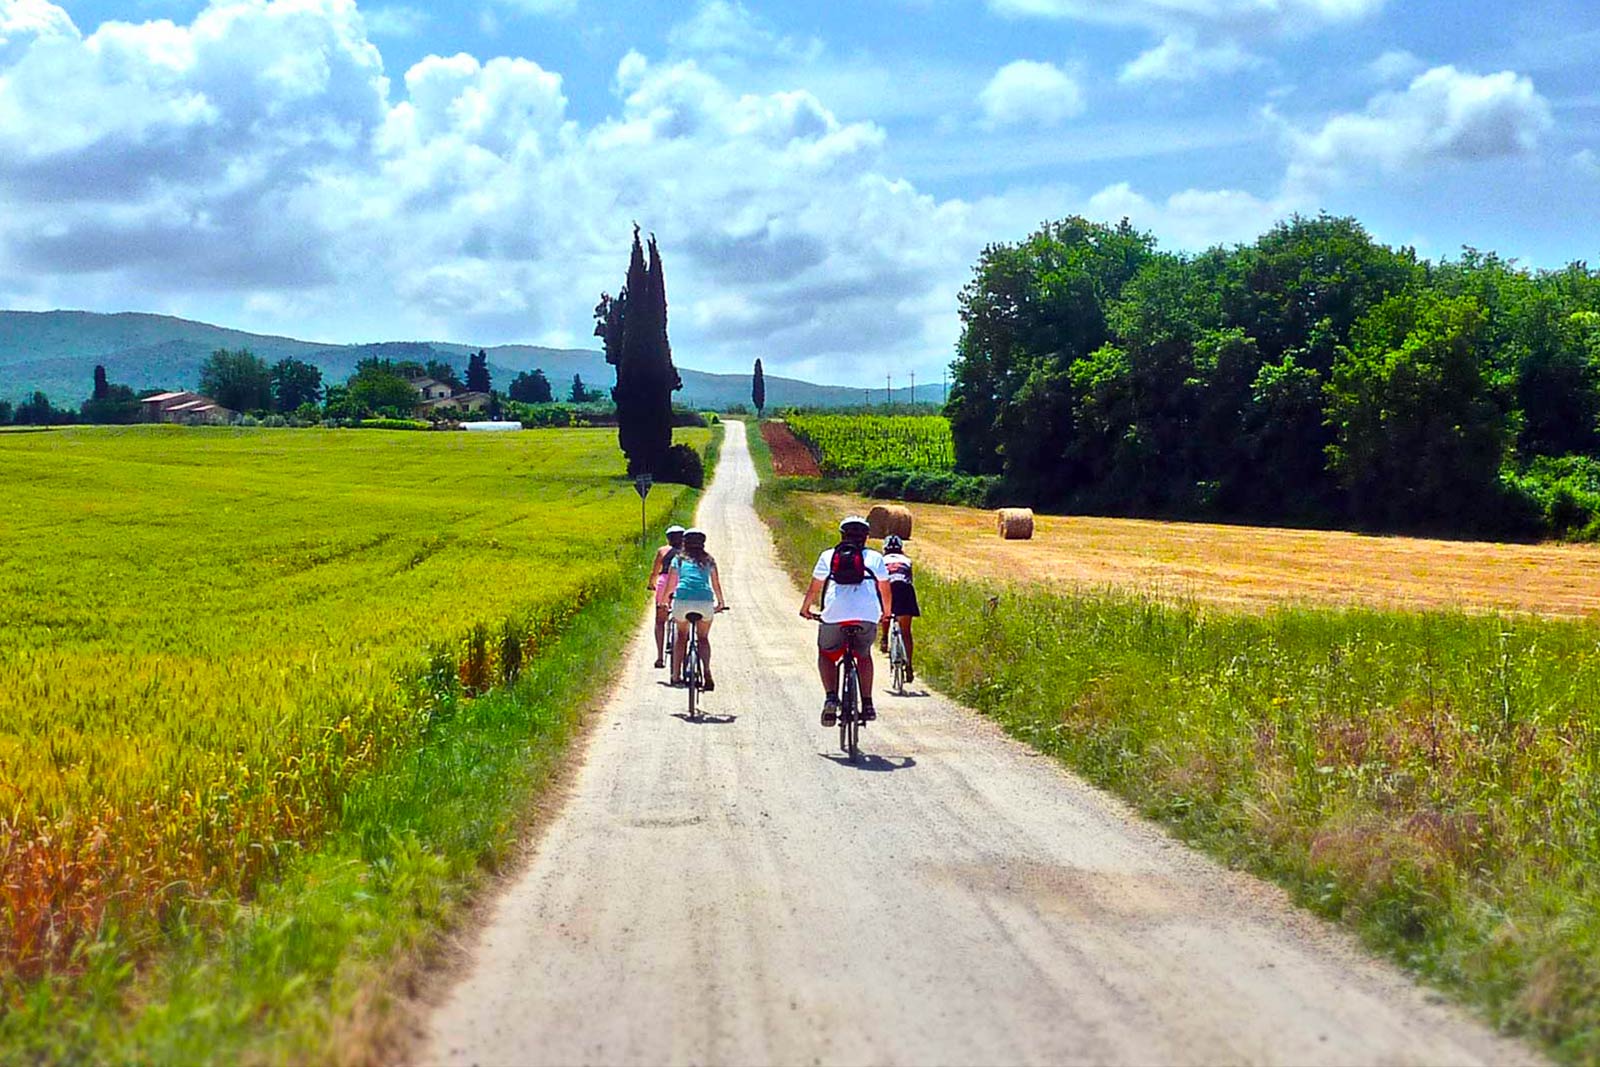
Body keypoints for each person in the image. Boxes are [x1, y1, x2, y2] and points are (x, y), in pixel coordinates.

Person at [798, 515, 891, 726]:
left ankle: (831, 697)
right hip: (867, 614)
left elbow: (815, 587)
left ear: (842, 535)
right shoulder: (875, 558)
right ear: (866, 537)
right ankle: (867, 703)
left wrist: (805, 609)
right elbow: (885, 589)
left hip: (834, 615)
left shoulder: (829, 556)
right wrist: (886, 613)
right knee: (864, 655)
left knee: (826, 654)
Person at [664, 528, 727, 690]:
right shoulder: (709, 560)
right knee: (703, 638)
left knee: (682, 635)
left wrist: (665, 601)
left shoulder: (678, 560)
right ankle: (706, 672)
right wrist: (720, 603)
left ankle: (676, 675)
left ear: (685, 542)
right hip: (704, 602)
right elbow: (716, 584)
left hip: (682, 601)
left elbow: (670, 584)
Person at [878, 534, 919, 683]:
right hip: (905, 590)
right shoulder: (907, 560)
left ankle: (883, 639)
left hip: (889, 587)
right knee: (906, 631)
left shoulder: (881, 560)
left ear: (885, 549)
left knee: (886, 613)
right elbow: (910, 579)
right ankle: (909, 665)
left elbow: (879, 581)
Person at [646, 524, 686, 669]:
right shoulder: (687, 552)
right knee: (684, 621)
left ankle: (660, 657)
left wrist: (651, 584)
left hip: (664, 584)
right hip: (682, 582)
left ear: (668, 538)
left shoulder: (662, 551)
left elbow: (655, 571)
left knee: (660, 621)